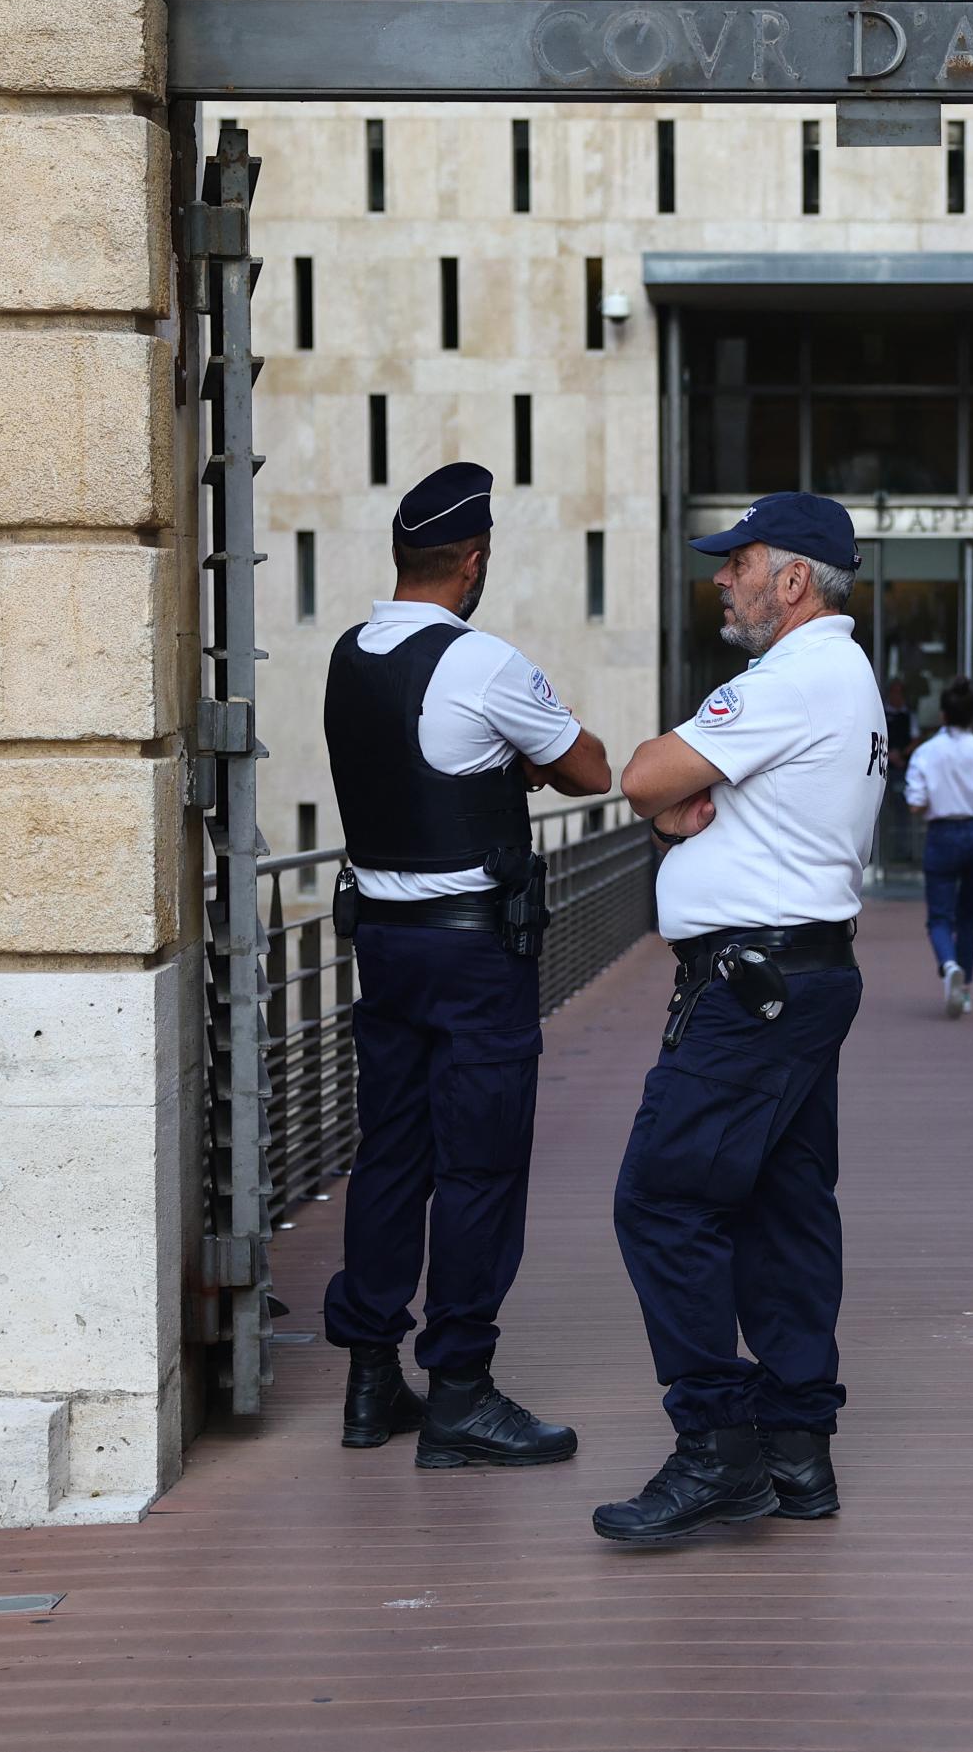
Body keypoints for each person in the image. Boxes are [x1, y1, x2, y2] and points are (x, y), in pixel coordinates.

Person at [594, 491, 886, 1544]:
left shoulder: (795, 676)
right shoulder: (838, 677)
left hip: (752, 991)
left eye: (740, 561)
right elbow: (678, 797)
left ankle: (715, 1446)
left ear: (793, 580)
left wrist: (665, 801)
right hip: (800, 977)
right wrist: (680, 810)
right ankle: (798, 1451)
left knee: (662, 1202)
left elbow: (644, 775)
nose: (722, 576)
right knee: (785, 1207)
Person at [319, 461, 611, 1470]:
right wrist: (522, 753)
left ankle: (368, 1381)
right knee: (480, 1165)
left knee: (391, 1153)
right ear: (473, 562)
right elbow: (590, 768)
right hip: (472, 952)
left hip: (383, 947)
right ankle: (460, 1392)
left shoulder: (349, 655)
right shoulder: (482, 664)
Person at [902, 678, 973, 1017]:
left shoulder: (926, 752)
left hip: (942, 835)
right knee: (969, 915)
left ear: (943, 715)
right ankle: (964, 991)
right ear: (972, 716)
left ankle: (949, 965)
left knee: (939, 915)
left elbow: (915, 803)